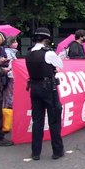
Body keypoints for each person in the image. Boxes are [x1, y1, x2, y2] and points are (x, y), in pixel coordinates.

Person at [25, 28, 64, 160]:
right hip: (48, 88)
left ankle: (36, 152)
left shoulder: (29, 53)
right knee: (54, 119)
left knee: (37, 121)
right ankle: (57, 151)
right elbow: (61, 65)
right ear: (46, 39)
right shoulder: (48, 53)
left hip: (34, 88)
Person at [2, 36, 18, 109]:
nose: (16, 43)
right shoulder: (8, 52)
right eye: (14, 42)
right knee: (9, 93)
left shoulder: (12, 52)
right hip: (10, 75)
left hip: (11, 74)